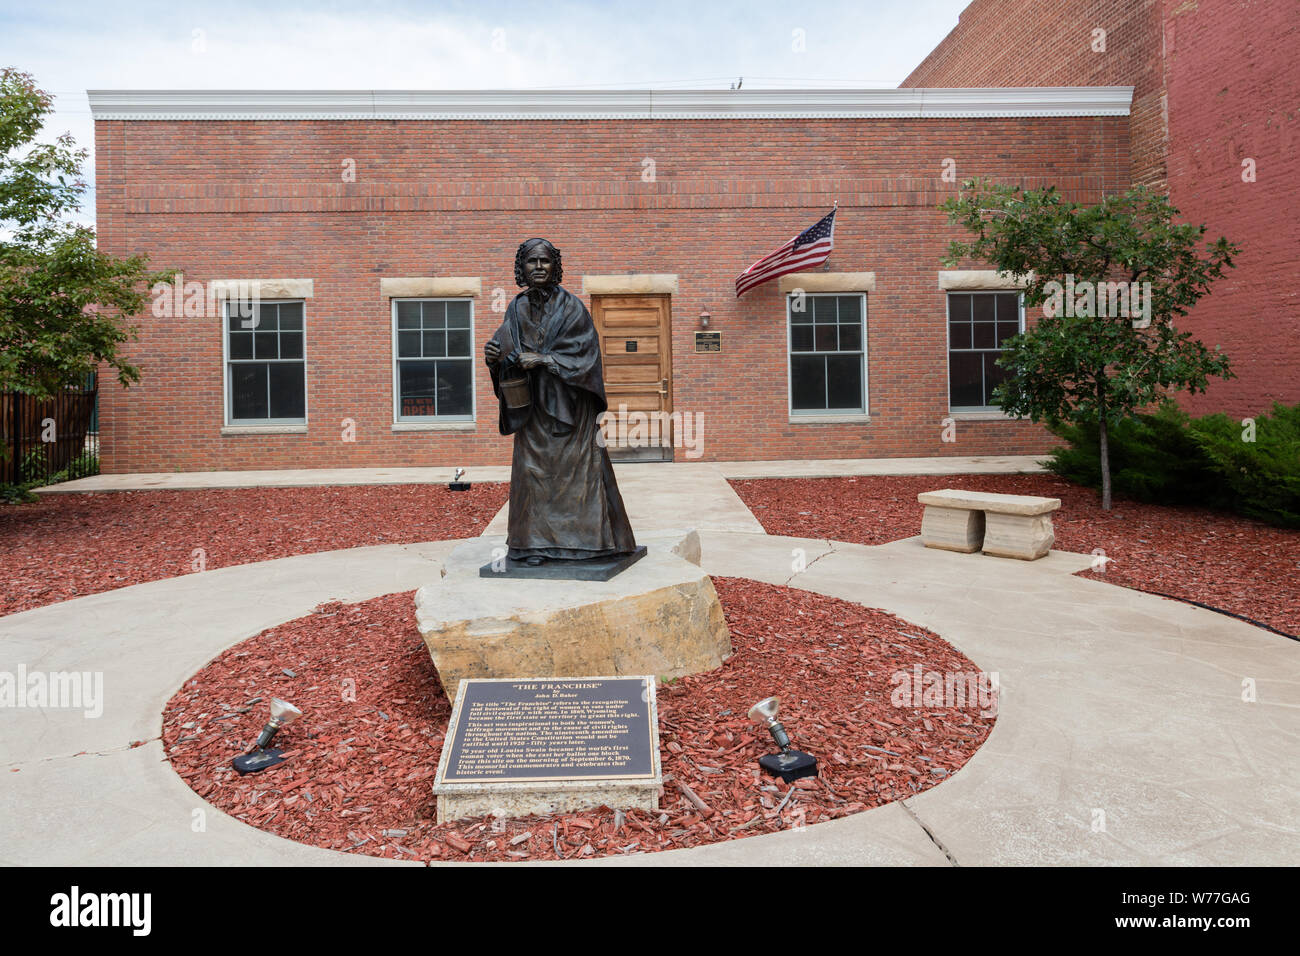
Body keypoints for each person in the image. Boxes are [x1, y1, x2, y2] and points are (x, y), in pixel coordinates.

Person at [484, 238, 637, 567]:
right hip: (533, 410)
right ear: (521, 268)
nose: (538, 267)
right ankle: (531, 546)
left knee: (579, 477)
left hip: (571, 409)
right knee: (532, 475)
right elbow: (508, 349)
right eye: (531, 262)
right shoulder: (516, 307)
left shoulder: (572, 307)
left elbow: (586, 357)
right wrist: (495, 359)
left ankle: (589, 546)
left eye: (545, 262)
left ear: (555, 267)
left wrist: (543, 360)